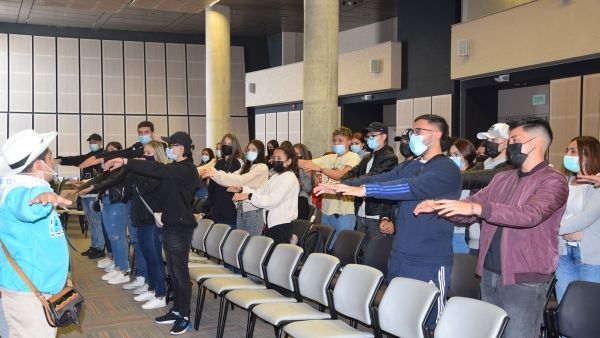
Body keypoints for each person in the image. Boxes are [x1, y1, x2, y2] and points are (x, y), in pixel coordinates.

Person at [415, 117, 569, 338]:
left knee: (518, 334)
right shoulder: (502, 178)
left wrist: (477, 209)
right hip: (490, 270)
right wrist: (439, 206)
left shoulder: (553, 180)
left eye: (515, 139)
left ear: (536, 142)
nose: (510, 145)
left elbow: (530, 215)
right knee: (491, 333)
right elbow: (472, 205)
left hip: (524, 275)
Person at [319, 115, 461, 328]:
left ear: (437, 135)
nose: (412, 136)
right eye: (412, 131)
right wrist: (345, 185)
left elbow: (410, 187)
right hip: (401, 254)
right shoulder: (412, 164)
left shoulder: (446, 168)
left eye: (418, 131)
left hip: (428, 259)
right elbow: (382, 178)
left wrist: (365, 190)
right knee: (401, 318)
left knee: (430, 322)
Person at [105, 131, 200, 335]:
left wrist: (126, 160)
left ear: (181, 148)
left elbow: (156, 168)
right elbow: (156, 174)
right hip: (170, 224)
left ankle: (184, 317)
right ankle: (176, 311)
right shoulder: (175, 168)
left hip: (180, 227)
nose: (168, 149)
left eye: (171, 145)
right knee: (173, 271)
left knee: (181, 274)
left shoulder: (187, 169)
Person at [0, 129, 71, 337]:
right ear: (40, 165)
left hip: (38, 288)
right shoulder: (17, 192)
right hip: (27, 295)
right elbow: (25, 204)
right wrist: (42, 197)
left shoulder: (20, 187)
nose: (54, 162)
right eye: (51, 158)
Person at [123, 140, 169, 310]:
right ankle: (152, 287)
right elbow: (129, 188)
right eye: (144, 153)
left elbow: (144, 188)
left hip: (151, 220)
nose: (145, 157)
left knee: (155, 257)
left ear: (157, 155)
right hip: (140, 218)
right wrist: (135, 168)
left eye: (149, 154)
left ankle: (161, 294)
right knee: (147, 256)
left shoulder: (159, 173)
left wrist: (139, 169)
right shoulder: (141, 171)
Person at [78, 142, 132, 285]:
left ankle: (124, 270)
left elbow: (111, 181)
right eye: (107, 151)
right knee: (112, 237)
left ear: (121, 153)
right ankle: (118, 266)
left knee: (117, 236)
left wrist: (92, 188)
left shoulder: (124, 167)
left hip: (117, 203)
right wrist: (84, 187)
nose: (109, 154)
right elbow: (99, 179)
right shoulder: (109, 168)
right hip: (107, 202)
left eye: (113, 151)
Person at [555, 136, 600, 301]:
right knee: (567, 306)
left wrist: (554, 228)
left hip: (590, 257)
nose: (567, 154)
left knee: (590, 310)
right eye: (567, 150)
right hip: (564, 253)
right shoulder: (566, 181)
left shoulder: (597, 184)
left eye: (573, 151)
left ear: (589, 155)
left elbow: (586, 217)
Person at [299, 127, 361, 246]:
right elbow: (307, 163)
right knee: (325, 246)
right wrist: (288, 158)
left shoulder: (353, 157)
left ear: (348, 142)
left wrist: (321, 169)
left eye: (340, 140)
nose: (336, 143)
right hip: (326, 212)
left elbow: (342, 176)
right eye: (334, 140)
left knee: (341, 248)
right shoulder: (329, 158)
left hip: (343, 213)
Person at [340, 122, 397, 243]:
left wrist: (348, 184)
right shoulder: (367, 157)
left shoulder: (389, 157)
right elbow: (354, 172)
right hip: (361, 212)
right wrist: (341, 182)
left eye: (373, 135)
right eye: (368, 136)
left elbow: (372, 177)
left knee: (374, 253)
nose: (369, 138)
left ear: (384, 136)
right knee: (360, 251)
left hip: (376, 214)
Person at [233, 146, 299, 244]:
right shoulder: (276, 176)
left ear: (288, 161)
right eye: (274, 158)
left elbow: (271, 200)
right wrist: (242, 189)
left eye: (279, 158)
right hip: (272, 224)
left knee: (276, 257)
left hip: (281, 225)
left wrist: (249, 196)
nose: (275, 160)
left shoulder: (289, 177)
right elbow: (261, 192)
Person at [201, 140, 269, 236]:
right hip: (241, 210)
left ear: (260, 152)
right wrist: (214, 174)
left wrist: (216, 174)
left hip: (254, 211)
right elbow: (231, 176)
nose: (250, 152)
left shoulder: (262, 167)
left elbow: (240, 180)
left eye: (254, 150)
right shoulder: (246, 167)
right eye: (248, 149)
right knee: (240, 244)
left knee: (252, 246)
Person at [55, 133, 105, 259]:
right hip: (84, 194)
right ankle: (94, 246)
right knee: (91, 222)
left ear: (100, 143)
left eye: (94, 142)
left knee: (96, 222)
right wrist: (61, 160)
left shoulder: (102, 156)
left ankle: (100, 248)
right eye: (90, 142)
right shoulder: (87, 157)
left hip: (95, 193)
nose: (92, 144)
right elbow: (75, 159)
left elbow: (100, 177)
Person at [201, 134, 243, 227]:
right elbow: (212, 190)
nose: (226, 146)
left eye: (229, 143)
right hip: (216, 212)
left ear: (235, 146)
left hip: (230, 211)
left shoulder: (237, 163)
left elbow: (231, 183)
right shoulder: (219, 163)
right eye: (224, 143)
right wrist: (205, 209)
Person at [78, 121, 155, 169]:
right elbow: (121, 152)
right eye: (140, 133)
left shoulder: (158, 147)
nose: (143, 135)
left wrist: (100, 160)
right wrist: (95, 157)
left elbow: (129, 154)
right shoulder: (137, 145)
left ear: (152, 133)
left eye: (146, 132)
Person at [448, 138, 477, 254]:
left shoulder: (475, 180)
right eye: (450, 155)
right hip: (448, 232)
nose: (452, 158)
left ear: (467, 155)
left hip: (465, 235)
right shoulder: (449, 178)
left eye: (456, 154)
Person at [293, 143, 314, 220]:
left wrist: (297, 181)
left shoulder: (306, 167)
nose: (295, 156)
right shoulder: (290, 167)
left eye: (297, 154)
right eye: (293, 154)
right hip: (290, 200)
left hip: (301, 200)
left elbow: (308, 187)